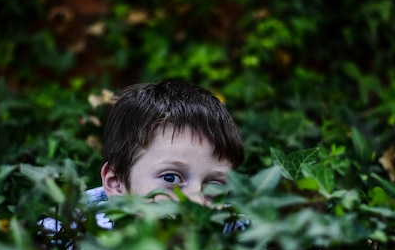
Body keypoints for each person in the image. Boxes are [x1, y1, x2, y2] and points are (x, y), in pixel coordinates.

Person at [39, 81, 248, 239]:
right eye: (171, 177)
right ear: (116, 183)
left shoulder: (236, 231)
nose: (196, 202)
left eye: (214, 186)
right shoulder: (73, 235)